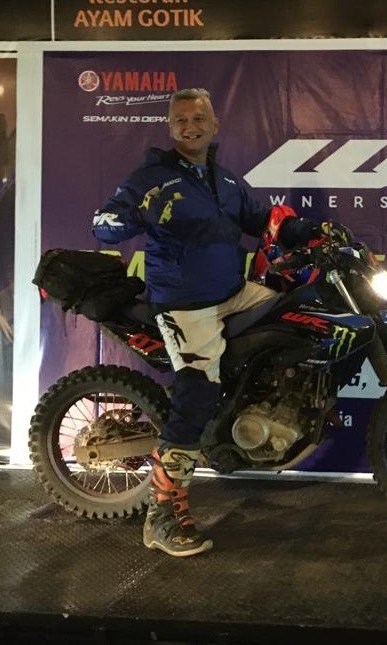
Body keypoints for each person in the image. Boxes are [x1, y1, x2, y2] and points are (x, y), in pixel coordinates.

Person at [92, 88, 321, 557]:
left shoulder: (223, 179)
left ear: (214, 125)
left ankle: (257, 410)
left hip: (232, 293)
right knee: (197, 390)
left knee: (300, 316)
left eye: (198, 118)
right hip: (184, 304)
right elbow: (103, 223)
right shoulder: (151, 178)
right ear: (170, 127)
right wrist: (137, 212)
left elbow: (261, 219)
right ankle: (161, 517)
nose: (190, 126)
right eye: (181, 119)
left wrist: (311, 231)